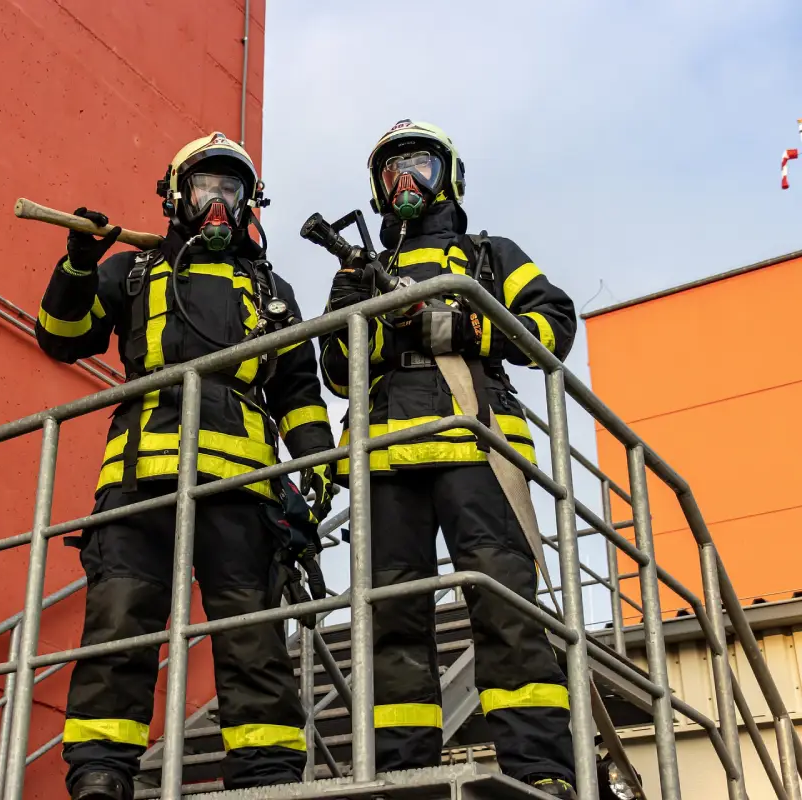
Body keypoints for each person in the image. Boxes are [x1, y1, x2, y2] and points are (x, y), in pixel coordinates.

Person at [36, 132, 337, 800]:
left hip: (242, 494)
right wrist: (80, 265)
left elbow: (297, 393)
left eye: (231, 191)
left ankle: (267, 779)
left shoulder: (271, 289)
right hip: (140, 484)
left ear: (249, 202)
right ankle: (99, 776)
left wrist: (319, 467)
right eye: (206, 189)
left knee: (251, 639)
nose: (219, 204)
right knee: (119, 628)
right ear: (178, 196)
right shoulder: (134, 272)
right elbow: (60, 339)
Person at [318, 120, 579, 799]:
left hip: (477, 442)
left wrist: (459, 324)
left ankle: (541, 765)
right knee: (392, 617)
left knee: (503, 605)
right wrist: (381, 322)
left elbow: (553, 326)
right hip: (385, 456)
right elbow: (338, 368)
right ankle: (405, 773)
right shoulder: (353, 273)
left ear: (448, 177)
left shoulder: (488, 253)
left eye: (419, 168)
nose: (406, 184)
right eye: (393, 172)